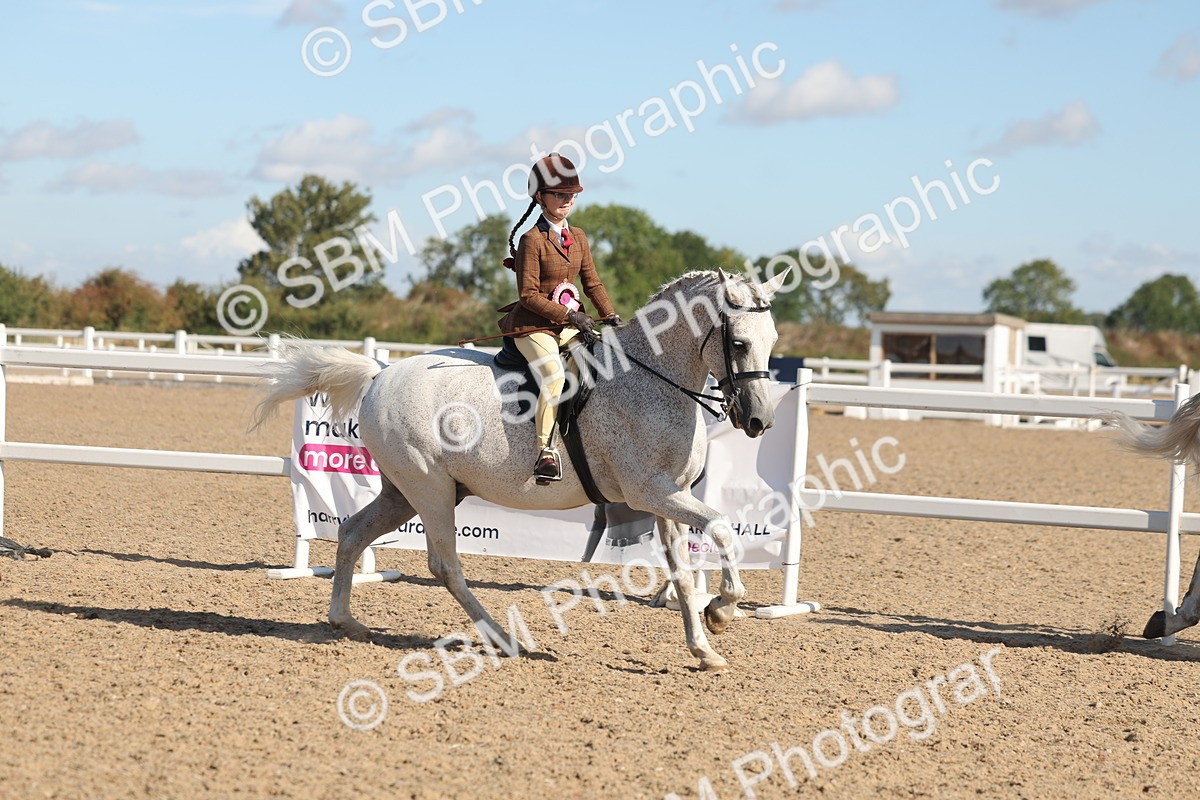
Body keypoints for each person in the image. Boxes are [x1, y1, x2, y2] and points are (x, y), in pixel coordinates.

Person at [497, 153, 619, 482]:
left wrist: (610, 315)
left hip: (567, 325)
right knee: (553, 373)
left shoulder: (578, 236)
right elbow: (528, 295)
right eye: (560, 195)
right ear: (541, 197)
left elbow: (592, 283)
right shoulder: (532, 240)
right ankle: (545, 452)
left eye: (572, 195)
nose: (567, 201)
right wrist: (570, 315)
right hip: (533, 325)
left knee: (603, 361)